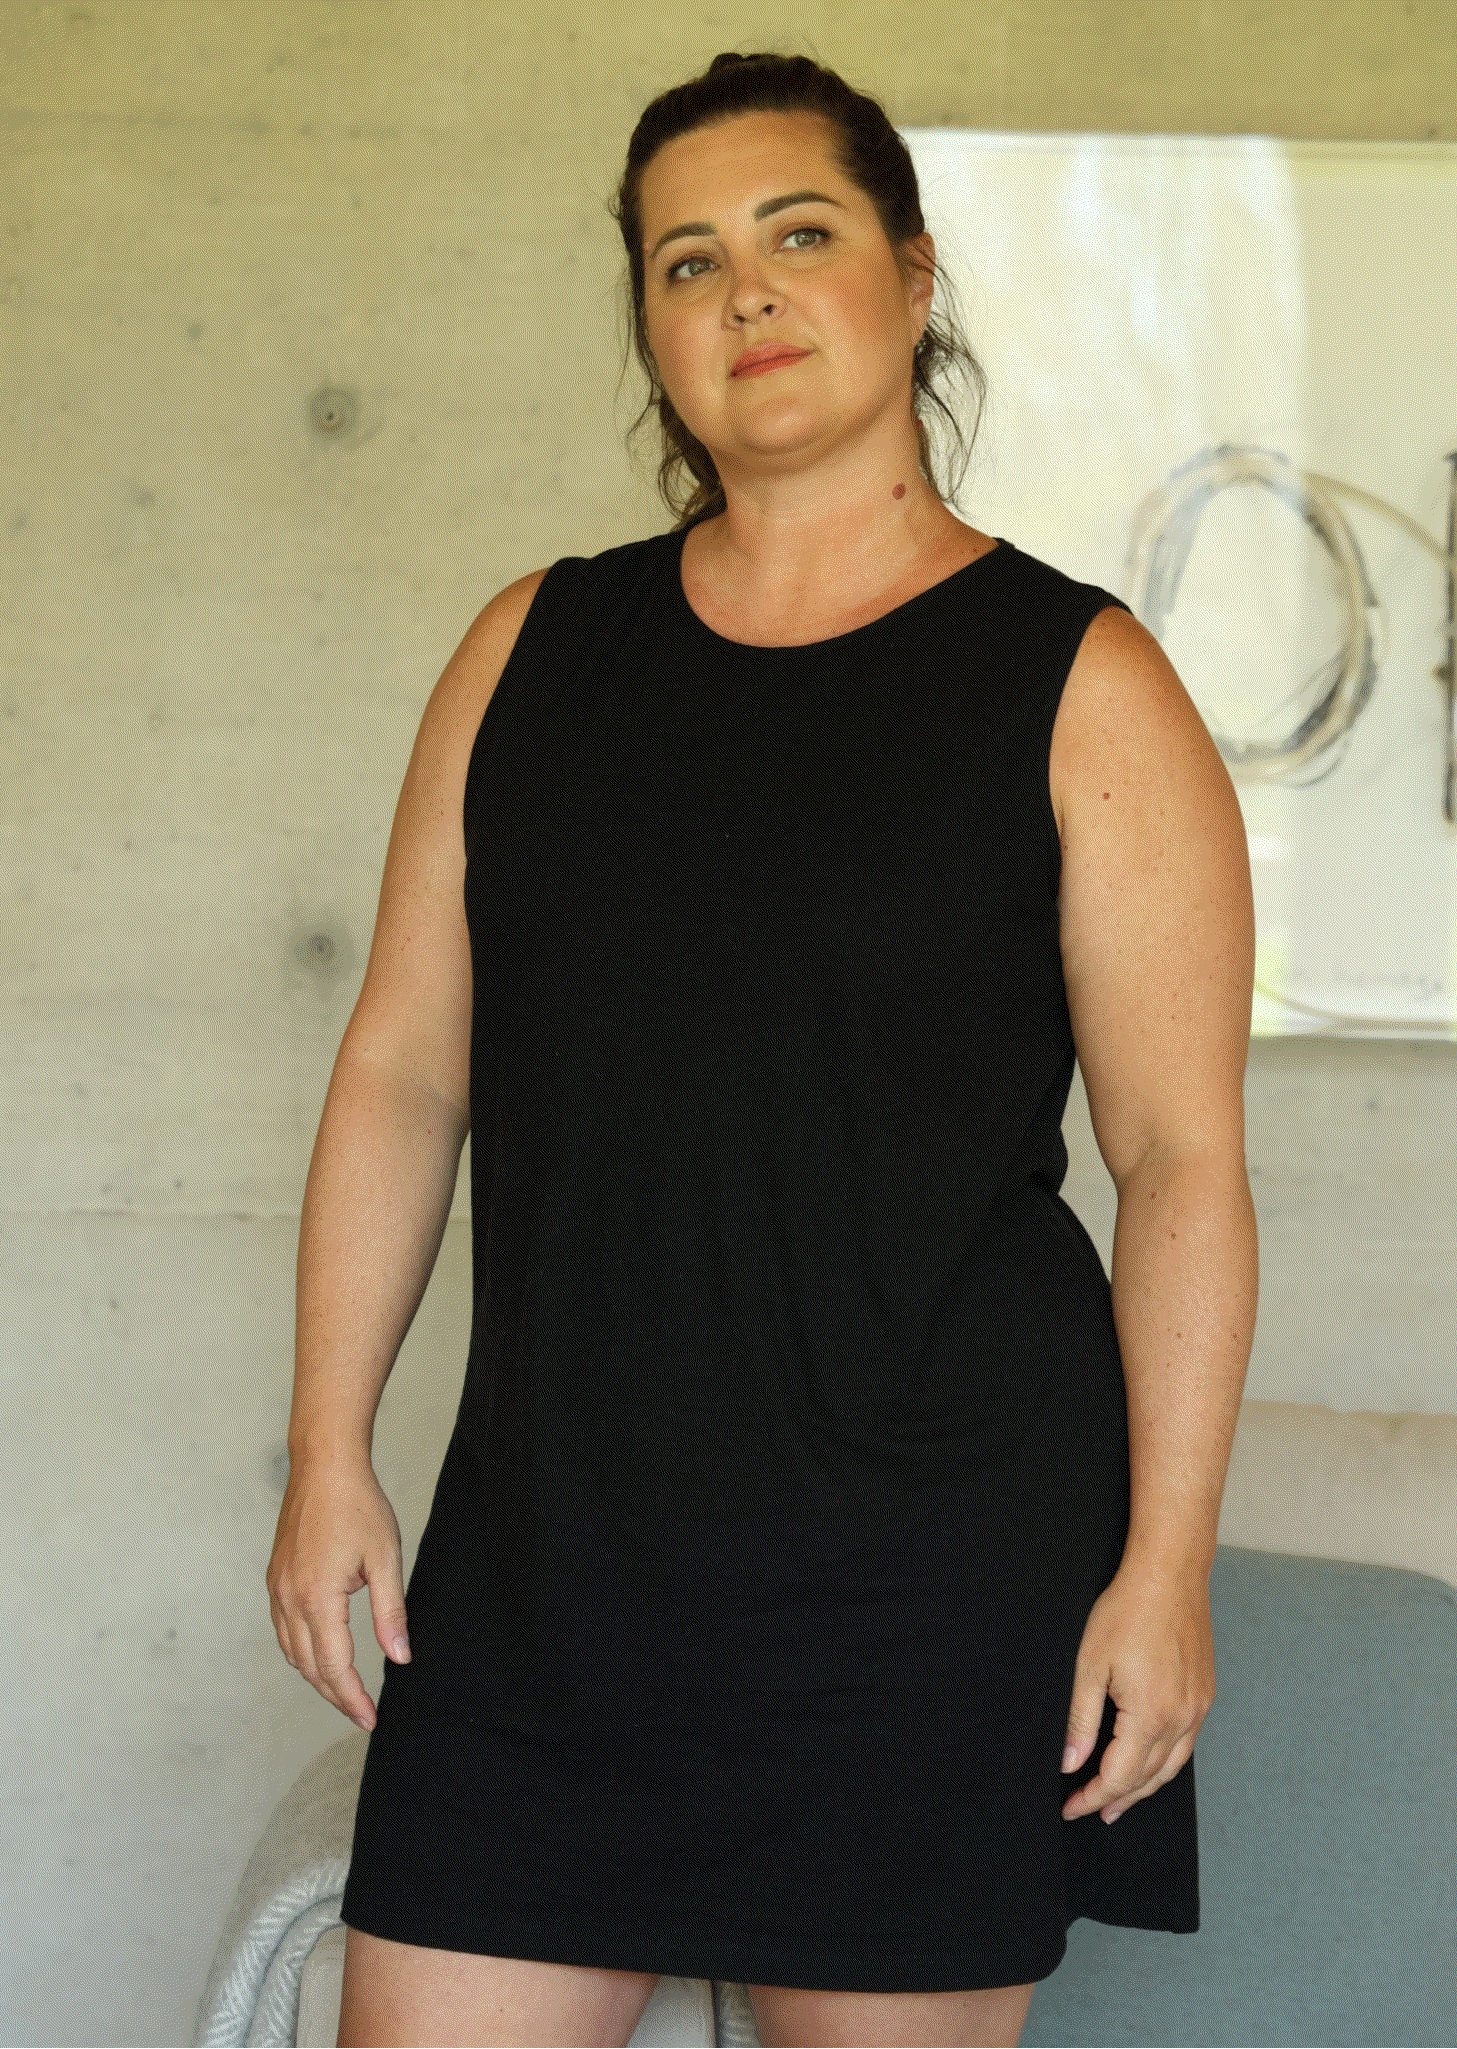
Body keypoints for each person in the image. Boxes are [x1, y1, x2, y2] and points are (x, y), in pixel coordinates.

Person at [266, 50, 1258, 2049]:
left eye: (797, 237)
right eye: (682, 261)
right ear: (647, 328)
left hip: (928, 1565)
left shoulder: (1078, 681)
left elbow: (1175, 1164)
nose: (743, 294)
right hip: (556, 1544)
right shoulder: (532, 650)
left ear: (907, 273)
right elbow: (399, 1072)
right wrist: (322, 1449)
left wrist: (1163, 1564)